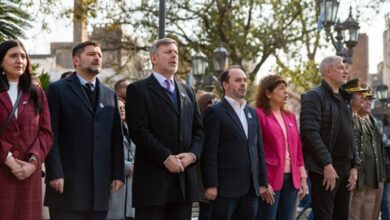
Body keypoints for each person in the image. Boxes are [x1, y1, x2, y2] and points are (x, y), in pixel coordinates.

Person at [44, 40, 124, 220]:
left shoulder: (109, 94)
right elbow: (51, 135)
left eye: (99, 55)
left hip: (100, 189)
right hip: (67, 187)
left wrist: (118, 174)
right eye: (91, 54)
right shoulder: (57, 90)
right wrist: (55, 173)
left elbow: (116, 138)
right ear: (76, 60)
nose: (97, 58)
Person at [125, 38, 204, 220]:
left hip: (184, 182)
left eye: (176, 52)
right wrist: (165, 157)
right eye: (168, 52)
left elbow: (199, 130)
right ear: (154, 58)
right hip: (153, 184)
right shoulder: (138, 90)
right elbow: (139, 131)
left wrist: (192, 155)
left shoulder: (187, 91)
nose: (174, 55)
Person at [201, 66, 270, 220]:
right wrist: (211, 184)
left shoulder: (251, 113)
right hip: (225, 189)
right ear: (225, 85)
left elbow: (258, 149)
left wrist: (262, 182)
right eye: (238, 80)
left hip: (251, 189)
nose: (243, 83)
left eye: (245, 80)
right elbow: (209, 152)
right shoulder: (215, 112)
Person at [300, 55, 360, 219]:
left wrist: (355, 166)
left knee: (342, 216)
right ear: (328, 71)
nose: (345, 71)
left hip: (345, 168)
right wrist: (327, 164)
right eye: (340, 67)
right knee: (324, 216)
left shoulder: (344, 99)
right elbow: (309, 132)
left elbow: (351, 134)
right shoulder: (314, 96)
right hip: (324, 169)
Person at [0, 39, 53, 220]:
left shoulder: (35, 92)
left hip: (29, 174)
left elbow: (45, 132)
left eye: (23, 56)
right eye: (13, 56)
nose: (20, 60)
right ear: (1, 61)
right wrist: (8, 159)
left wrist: (34, 163)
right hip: (2, 169)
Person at [254, 75, 308, 220]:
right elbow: (254, 151)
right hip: (269, 181)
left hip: (291, 180)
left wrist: (302, 177)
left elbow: (298, 149)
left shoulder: (289, 116)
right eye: (281, 88)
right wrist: (262, 182)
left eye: (286, 88)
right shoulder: (258, 115)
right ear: (268, 93)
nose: (286, 92)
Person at [107, 99, 136, 220]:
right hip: (115, 187)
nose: (122, 110)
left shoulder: (131, 130)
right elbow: (104, 157)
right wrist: (128, 166)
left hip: (131, 190)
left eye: (123, 107)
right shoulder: (107, 131)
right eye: (119, 108)